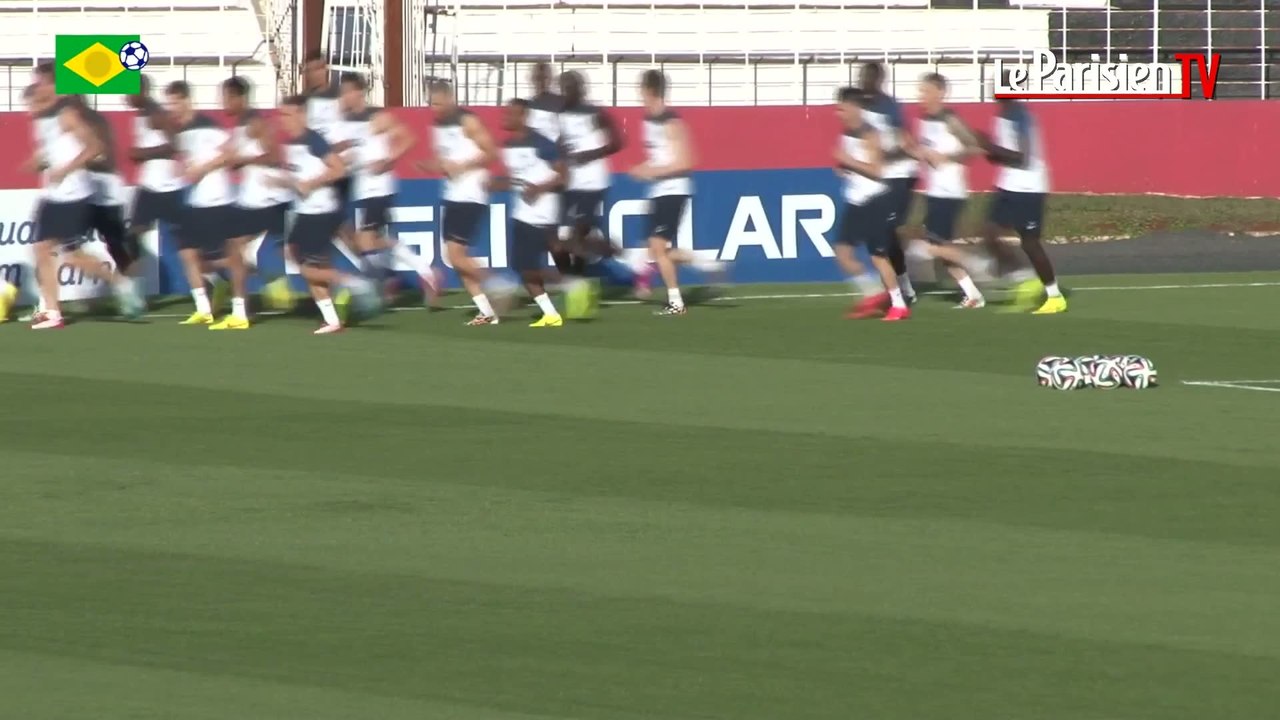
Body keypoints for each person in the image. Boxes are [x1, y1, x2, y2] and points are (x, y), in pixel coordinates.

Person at [28, 86, 143, 329]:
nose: (33, 110)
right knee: (48, 250)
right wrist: (41, 163)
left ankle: (120, 284)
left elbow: (96, 149)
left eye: (38, 102)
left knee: (68, 253)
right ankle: (51, 309)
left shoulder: (75, 118)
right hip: (63, 195)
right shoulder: (50, 123)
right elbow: (52, 155)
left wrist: (66, 168)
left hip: (80, 195)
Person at [273, 95, 379, 334]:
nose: (284, 120)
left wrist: (312, 183)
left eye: (288, 115)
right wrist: (281, 181)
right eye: (282, 115)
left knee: (307, 267)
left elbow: (339, 169)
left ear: (301, 114)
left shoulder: (314, 140)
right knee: (297, 258)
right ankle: (332, 320)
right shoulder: (291, 144)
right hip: (304, 211)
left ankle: (352, 282)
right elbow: (298, 177)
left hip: (320, 212)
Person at [628, 69, 726, 316]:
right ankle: (704, 263)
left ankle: (676, 302)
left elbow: (686, 161)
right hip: (658, 189)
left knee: (659, 248)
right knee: (656, 249)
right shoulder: (648, 121)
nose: (640, 96)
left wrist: (650, 171)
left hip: (674, 188)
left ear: (650, 91)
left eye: (641, 91)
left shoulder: (672, 122)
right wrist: (648, 171)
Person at [337, 72, 440, 303]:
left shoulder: (378, 117)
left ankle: (389, 282)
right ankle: (407, 276)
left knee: (365, 240)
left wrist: (388, 160)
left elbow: (408, 138)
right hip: (362, 187)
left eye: (347, 92)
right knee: (366, 241)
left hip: (380, 187)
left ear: (359, 92)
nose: (343, 97)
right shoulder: (346, 120)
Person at [418, 80, 506, 326]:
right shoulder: (437, 126)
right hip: (452, 193)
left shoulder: (468, 121)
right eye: (431, 103)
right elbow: (445, 160)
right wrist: (431, 166)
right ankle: (487, 311)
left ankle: (499, 285)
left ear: (450, 99)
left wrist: (462, 166)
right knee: (456, 259)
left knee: (455, 256)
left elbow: (491, 153)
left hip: (472, 192)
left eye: (438, 103)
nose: (434, 108)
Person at [974, 95, 1066, 314]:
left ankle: (1055, 296)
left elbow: (1021, 157)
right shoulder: (1002, 116)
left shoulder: (1020, 116)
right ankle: (1023, 278)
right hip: (1008, 184)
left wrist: (989, 145)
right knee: (989, 233)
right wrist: (988, 150)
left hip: (1029, 187)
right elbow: (1002, 156)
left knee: (1030, 243)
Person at [906, 73, 986, 309]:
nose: (922, 96)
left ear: (940, 93)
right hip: (935, 192)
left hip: (950, 192)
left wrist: (946, 156)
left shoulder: (950, 119)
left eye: (926, 91)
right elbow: (925, 152)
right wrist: (915, 151)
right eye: (920, 92)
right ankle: (972, 294)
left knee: (933, 245)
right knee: (940, 247)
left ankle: (980, 264)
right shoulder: (924, 120)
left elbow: (974, 147)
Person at [831, 86, 909, 322]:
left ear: (855, 108)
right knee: (843, 253)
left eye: (842, 108)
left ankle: (898, 304)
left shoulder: (870, 135)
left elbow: (877, 171)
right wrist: (843, 168)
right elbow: (850, 164)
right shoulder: (847, 133)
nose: (839, 113)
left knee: (878, 256)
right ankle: (874, 294)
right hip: (856, 201)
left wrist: (849, 162)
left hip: (875, 200)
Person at [220, 75, 293, 328]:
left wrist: (244, 161)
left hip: (267, 198)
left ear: (239, 97)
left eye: (227, 98)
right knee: (237, 250)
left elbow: (274, 156)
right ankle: (263, 288)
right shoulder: (242, 125)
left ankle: (244, 309)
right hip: (256, 198)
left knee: (234, 249)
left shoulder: (255, 123)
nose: (223, 103)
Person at [167, 80, 240, 326]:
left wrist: (203, 168)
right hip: (195, 201)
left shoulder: (208, 125)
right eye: (170, 103)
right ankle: (204, 308)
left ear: (187, 101)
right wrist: (184, 169)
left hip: (216, 199)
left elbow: (230, 153)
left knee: (223, 257)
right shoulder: (179, 133)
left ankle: (262, 278)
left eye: (176, 102)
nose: (172, 108)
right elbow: (187, 163)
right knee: (187, 253)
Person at [557, 70, 629, 314]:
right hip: (571, 182)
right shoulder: (562, 114)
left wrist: (591, 154)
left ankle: (580, 292)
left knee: (576, 235)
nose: (565, 92)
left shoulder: (595, 113)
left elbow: (618, 142)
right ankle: (614, 255)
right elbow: (561, 143)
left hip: (594, 182)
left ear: (580, 88)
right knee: (568, 237)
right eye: (562, 87)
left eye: (569, 87)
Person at [492, 98, 567, 327]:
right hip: (523, 211)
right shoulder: (507, 146)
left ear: (523, 116)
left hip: (542, 210)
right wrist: (497, 184)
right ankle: (551, 313)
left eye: (511, 114)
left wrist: (539, 188)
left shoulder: (541, 143)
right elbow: (518, 179)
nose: (506, 117)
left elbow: (563, 175)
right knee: (521, 267)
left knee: (526, 267)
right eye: (505, 113)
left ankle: (569, 282)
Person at [859, 62, 918, 304]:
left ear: (879, 80)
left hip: (898, 174)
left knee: (883, 232)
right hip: (880, 176)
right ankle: (904, 287)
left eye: (870, 77)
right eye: (864, 77)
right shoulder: (862, 107)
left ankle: (898, 297)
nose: (865, 81)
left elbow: (902, 143)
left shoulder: (888, 107)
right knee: (888, 234)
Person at [126, 74, 187, 272]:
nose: (126, 97)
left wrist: (142, 153)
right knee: (132, 236)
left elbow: (176, 144)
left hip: (167, 188)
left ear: (142, 91)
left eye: (129, 92)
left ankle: (219, 276)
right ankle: (133, 293)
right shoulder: (142, 114)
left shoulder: (156, 113)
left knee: (187, 242)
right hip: (150, 187)